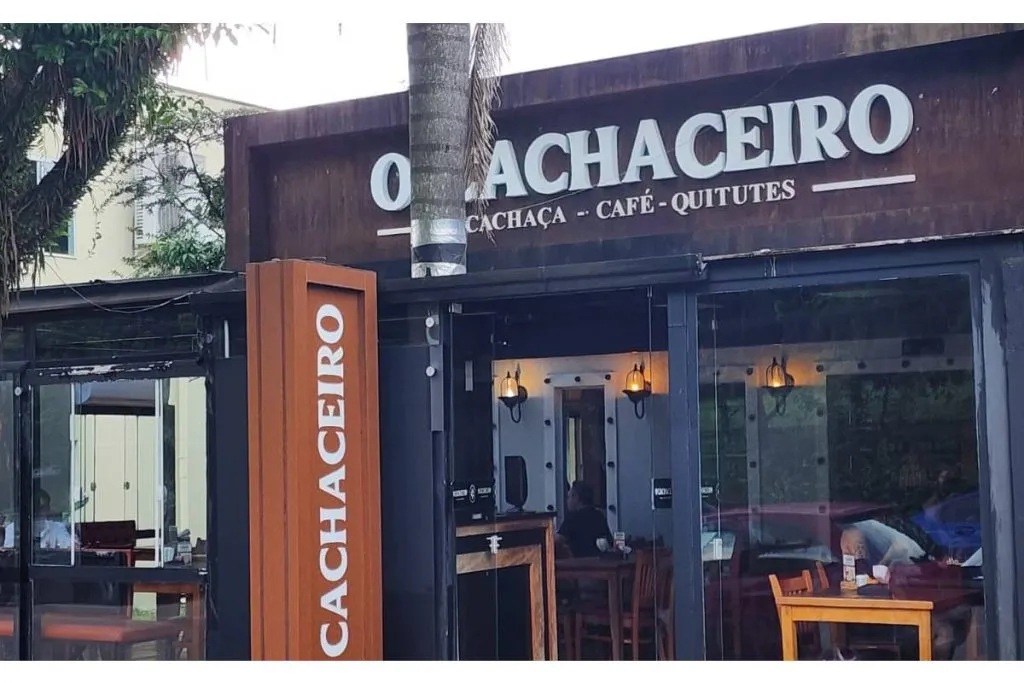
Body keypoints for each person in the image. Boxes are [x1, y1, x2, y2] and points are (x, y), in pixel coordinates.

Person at [2, 488, 74, 550]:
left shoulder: (57, 527)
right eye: (35, 507)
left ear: (48, 509)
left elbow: (70, 547)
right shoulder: (12, 529)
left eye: (42, 507)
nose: (37, 511)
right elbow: (11, 555)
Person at [556, 480, 612, 558]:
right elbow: (609, 541)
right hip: (600, 561)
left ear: (576, 497)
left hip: (579, 563)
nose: (567, 501)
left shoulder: (573, 518)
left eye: (568, 497)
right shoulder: (599, 516)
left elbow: (558, 541)